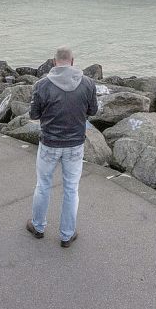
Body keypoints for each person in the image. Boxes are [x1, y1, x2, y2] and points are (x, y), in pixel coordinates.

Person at [26, 47, 98, 248]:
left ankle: (38, 227)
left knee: (43, 186)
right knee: (71, 189)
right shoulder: (88, 84)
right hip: (75, 144)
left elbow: (34, 115)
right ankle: (67, 235)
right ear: (72, 61)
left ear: (53, 61)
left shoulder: (42, 85)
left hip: (49, 143)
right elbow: (93, 110)